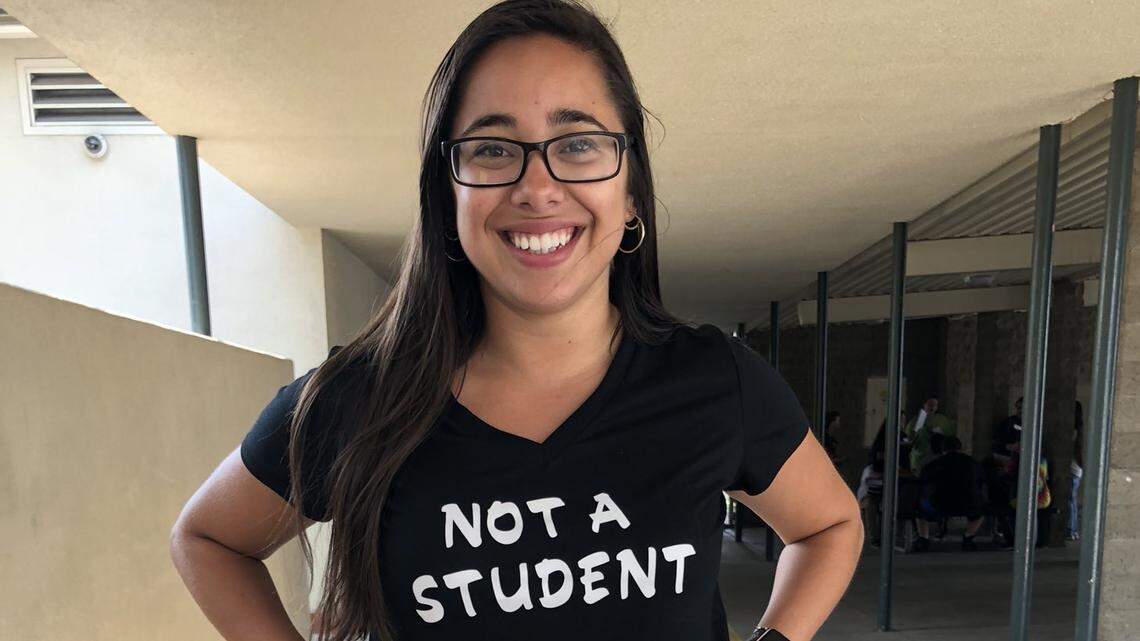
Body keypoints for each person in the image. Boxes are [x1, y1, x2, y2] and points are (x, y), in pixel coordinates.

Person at [168, 3, 863, 641]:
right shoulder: (358, 400)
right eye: (493, 149)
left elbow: (830, 523)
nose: (537, 187)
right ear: (448, 194)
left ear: (630, 193)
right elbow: (207, 538)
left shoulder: (714, 380)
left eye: (579, 143)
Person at [911, 437, 986, 552]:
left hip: (938, 505)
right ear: (960, 448)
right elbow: (981, 483)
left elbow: (922, 484)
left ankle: (923, 539)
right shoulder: (973, 463)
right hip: (969, 505)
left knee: (919, 508)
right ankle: (968, 538)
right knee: (980, 511)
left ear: (942, 450)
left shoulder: (932, 465)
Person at [903, 395, 955, 474]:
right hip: (919, 457)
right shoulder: (915, 421)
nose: (933, 407)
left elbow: (949, 438)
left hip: (937, 457)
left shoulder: (942, 420)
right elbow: (907, 439)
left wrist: (939, 434)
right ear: (924, 405)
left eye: (935, 405)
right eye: (930, 405)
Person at [1069, 400, 1084, 541]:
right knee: (1072, 499)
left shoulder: (1074, 430)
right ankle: (1072, 530)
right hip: (1076, 468)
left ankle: (1072, 530)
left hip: (1073, 468)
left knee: (1071, 500)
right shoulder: (1080, 429)